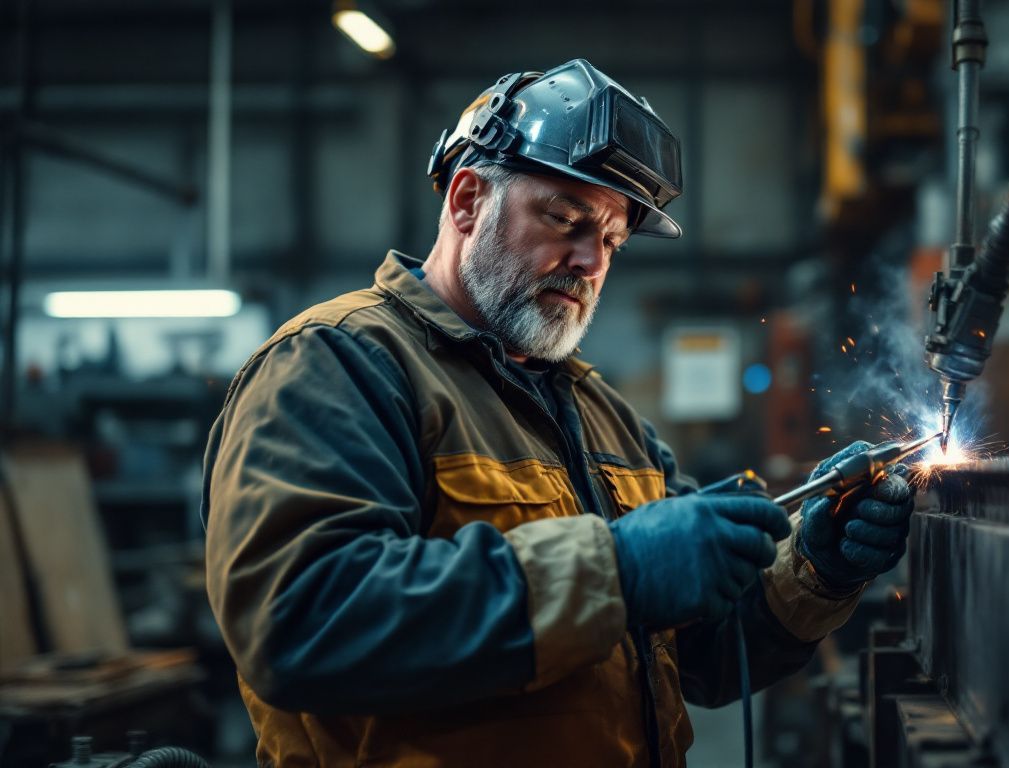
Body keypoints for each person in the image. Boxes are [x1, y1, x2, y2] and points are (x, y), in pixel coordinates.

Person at [202, 59, 914, 767]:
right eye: (566, 220)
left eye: (609, 241)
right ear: (467, 201)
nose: (590, 262)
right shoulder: (338, 367)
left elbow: (702, 653)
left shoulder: (601, 414)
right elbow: (302, 621)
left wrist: (813, 567)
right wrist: (616, 570)